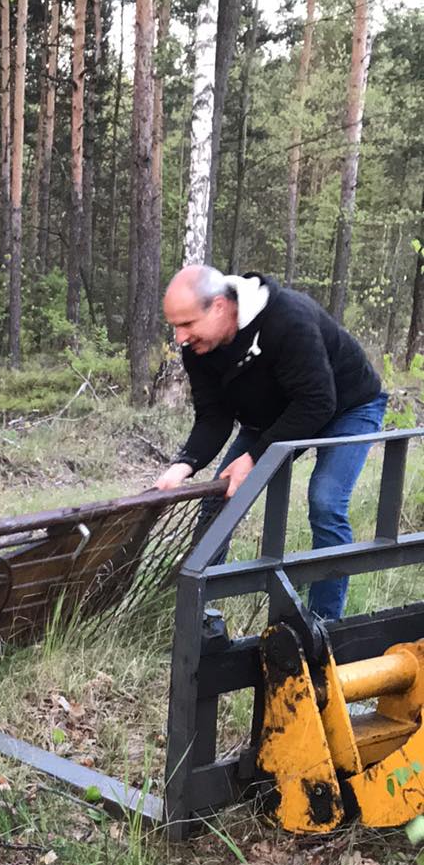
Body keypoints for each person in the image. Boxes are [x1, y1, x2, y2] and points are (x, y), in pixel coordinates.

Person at [155, 265, 387, 619]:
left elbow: (318, 402)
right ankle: (196, 616)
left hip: (346, 406)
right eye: (175, 326)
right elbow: (213, 416)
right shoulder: (199, 348)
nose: (180, 337)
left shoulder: (287, 319)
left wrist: (253, 456)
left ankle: (324, 622)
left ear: (218, 306)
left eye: (186, 324)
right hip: (275, 415)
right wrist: (182, 466)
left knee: (325, 501)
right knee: (218, 499)